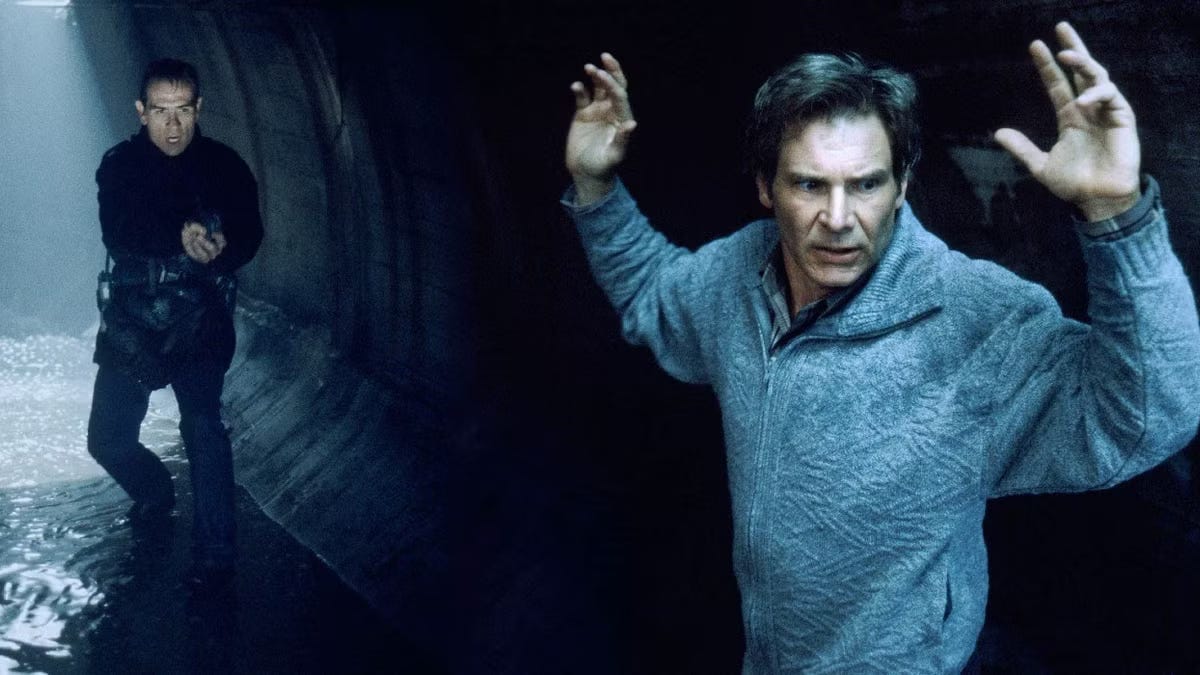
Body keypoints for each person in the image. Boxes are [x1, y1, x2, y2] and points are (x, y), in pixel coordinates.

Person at [561, 22, 1199, 672]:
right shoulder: (737, 275)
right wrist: (595, 186)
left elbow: (1147, 416)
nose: (839, 218)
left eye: (865, 184)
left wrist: (1117, 215)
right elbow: (654, 291)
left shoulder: (973, 316)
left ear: (902, 184)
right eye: (809, 184)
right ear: (765, 187)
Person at [87, 58, 263, 586]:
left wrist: (225, 245)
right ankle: (155, 492)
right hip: (134, 317)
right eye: (161, 111)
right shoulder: (119, 166)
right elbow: (121, 226)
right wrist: (178, 234)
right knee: (107, 440)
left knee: (203, 425)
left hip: (199, 314)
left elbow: (250, 230)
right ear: (141, 112)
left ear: (198, 109)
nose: (172, 124)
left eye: (183, 110)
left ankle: (216, 557)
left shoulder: (225, 166)